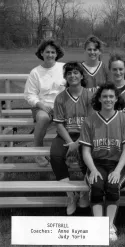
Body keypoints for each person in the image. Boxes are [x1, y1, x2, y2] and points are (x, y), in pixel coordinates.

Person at [79, 83, 125, 241]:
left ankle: (109, 226)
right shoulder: (90, 121)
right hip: (97, 163)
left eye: (111, 96)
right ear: (99, 99)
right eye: (105, 96)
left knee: (112, 186)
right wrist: (93, 170)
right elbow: (86, 151)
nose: (108, 99)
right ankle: (98, 225)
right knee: (96, 186)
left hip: (118, 164)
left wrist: (117, 171)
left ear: (116, 99)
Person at [50, 62, 93, 215]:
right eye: (69, 73)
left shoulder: (90, 95)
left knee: (90, 155)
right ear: (65, 77)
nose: (72, 76)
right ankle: (70, 195)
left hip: (86, 135)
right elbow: (59, 125)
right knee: (55, 155)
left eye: (76, 73)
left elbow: (91, 123)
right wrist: (70, 143)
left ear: (82, 76)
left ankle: (84, 192)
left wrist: (78, 143)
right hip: (66, 134)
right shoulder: (61, 98)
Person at [24, 39, 66, 167]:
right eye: (47, 52)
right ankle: (38, 151)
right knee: (43, 118)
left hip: (62, 105)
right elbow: (29, 95)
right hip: (42, 106)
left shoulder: (64, 68)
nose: (50, 55)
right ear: (41, 53)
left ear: (57, 53)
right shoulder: (35, 72)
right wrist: (41, 105)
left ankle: (71, 153)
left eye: (53, 52)